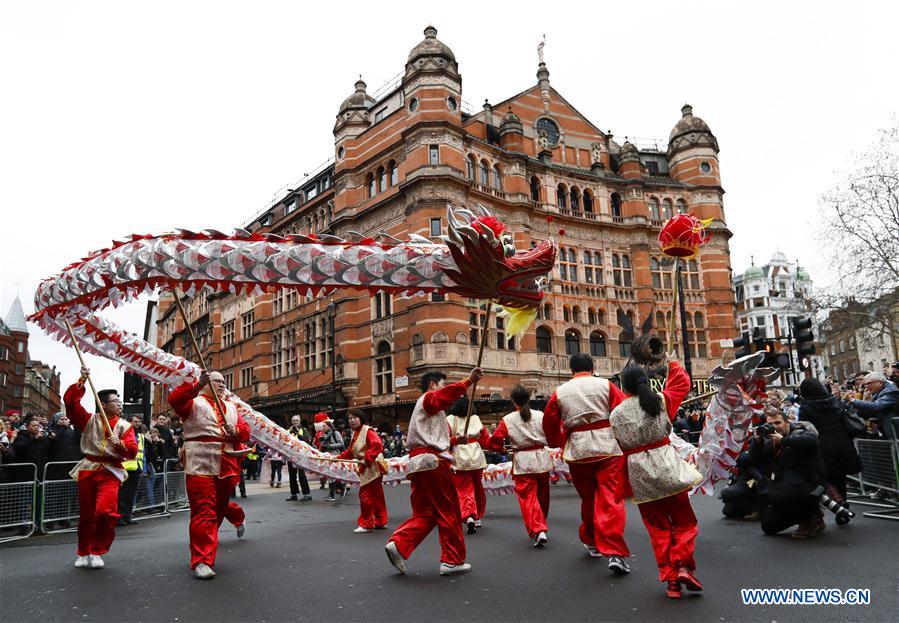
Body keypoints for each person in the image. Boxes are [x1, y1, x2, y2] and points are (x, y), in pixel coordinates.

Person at [610, 360, 703, 599]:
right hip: (667, 466)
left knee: (658, 529)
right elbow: (681, 383)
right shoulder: (659, 401)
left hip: (639, 473)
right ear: (646, 382)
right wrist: (669, 362)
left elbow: (619, 445)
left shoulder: (616, 414)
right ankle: (683, 565)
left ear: (623, 385)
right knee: (684, 522)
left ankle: (671, 581)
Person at [385, 367, 483, 576]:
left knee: (426, 512)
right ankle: (452, 560)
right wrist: (468, 381)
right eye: (441, 384)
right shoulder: (429, 398)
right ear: (432, 385)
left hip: (420, 463)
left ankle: (400, 544)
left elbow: (434, 439)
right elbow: (442, 398)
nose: (443, 389)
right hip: (433, 463)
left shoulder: (429, 409)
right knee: (449, 509)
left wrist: (457, 440)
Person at [542, 353, 630, 575]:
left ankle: (591, 539)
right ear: (592, 367)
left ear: (571, 369)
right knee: (611, 498)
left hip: (578, 450)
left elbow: (550, 424)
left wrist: (560, 442)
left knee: (588, 499)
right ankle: (615, 551)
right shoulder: (606, 385)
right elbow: (622, 411)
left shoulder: (559, 392)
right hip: (607, 446)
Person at [168, 370, 250, 580]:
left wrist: (236, 431)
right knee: (204, 510)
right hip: (199, 463)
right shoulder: (193, 401)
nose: (222, 385)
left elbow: (245, 430)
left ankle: (229, 525)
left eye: (224, 382)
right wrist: (195, 387)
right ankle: (202, 560)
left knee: (219, 509)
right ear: (205, 383)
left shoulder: (231, 407)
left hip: (226, 463)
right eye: (217, 382)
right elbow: (175, 400)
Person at [63, 367, 138, 569]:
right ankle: (83, 551)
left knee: (105, 512)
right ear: (103, 404)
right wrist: (82, 380)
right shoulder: (89, 420)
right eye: (115, 401)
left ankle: (97, 550)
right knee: (86, 515)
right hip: (88, 469)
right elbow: (70, 403)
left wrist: (120, 444)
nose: (119, 404)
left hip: (111, 472)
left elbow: (131, 451)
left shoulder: (125, 426)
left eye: (119, 401)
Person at [486, 385, 552, 547]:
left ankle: (538, 528)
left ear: (513, 402)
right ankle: (541, 522)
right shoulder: (540, 415)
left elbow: (494, 442)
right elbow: (551, 433)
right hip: (542, 459)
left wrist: (500, 449)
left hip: (523, 461)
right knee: (542, 495)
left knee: (528, 497)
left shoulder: (508, 420)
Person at [750, 407, 826, 538]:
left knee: (788, 493)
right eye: (770, 424)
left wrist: (784, 441)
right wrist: (757, 442)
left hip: (809, 484)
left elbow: (812, 441)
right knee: (768, 526)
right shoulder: (771, 441)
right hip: (783, 488)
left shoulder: (800, 431)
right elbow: (755, 459)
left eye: (778, 423)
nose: (775, 427)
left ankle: (809, 519)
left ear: (787, 422)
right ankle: (806, 515)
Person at [797, 378, 862, 508]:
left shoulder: (806, 407)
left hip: (821, 445)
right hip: (842, 443)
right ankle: (842, 502)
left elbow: (804, 427)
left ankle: (838, 501)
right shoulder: (834, 402)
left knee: (824, 475)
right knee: (839, 475)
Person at [337, 410, 388, 533]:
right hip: (369, 464)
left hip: (371, 465)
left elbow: (377, 445)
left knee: (366, 495)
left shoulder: (367, 431)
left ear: (361, 418)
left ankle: (366, 523)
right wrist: (338, 458)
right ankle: (380, 521)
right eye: (350, 418)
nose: (352, 420)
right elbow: (351, 451)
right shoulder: (356, 433)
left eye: (354, 418)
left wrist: (368, 458)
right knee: (376, 495)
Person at [446, 395, 489, 534]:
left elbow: (445, 440)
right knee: (477, 487)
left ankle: (469, 514)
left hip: (460, 456)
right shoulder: (476, 419)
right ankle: (477, 516)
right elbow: (485, 438)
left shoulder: (450, 419)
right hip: (476, 456)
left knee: (464, 488)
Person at [842, 371, 898, 439]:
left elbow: (876, 406)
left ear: (880, 382)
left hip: (895, 431)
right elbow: (870, 411)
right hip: (887, 430)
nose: (866, 387)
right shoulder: (878, 391)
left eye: (869, 383)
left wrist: (852, 400)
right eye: (865, 384)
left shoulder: (891, 392)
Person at [118, 415, 146, 526]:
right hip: (124, 468)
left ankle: (127, 516)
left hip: (136, 468)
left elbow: (142, 453)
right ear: (129, 422)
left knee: (131, 495)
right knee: (122, 495)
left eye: (139, 421)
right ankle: (119, 517)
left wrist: (143, 467)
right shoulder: (124, 434)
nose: (137, 423)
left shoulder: (140, 436)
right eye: (135, 421)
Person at [314, 413, 346, 501]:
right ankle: (335, 492)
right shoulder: (323, 435)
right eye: (322, 426)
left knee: (333, 475)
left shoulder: (335, 433)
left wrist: (331, 446)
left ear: (329, 426)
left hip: (335, 456)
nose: (323, 428)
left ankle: (338, 490)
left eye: (324, 426)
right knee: (330, 476)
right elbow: (322, 447)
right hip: (327, 457)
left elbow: (341, 443)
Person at [285, 415, 312, 502]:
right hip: (291, 455)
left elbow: (307, 440)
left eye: (297, 420)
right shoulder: (288, 430)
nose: (295, 422)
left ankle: (307, 494)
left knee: (301, 475)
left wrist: (297, 434)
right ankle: (294, 494)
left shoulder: (303, 430)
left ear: (299, 421)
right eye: (293, 420)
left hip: (301, 455)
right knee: (292, 475)